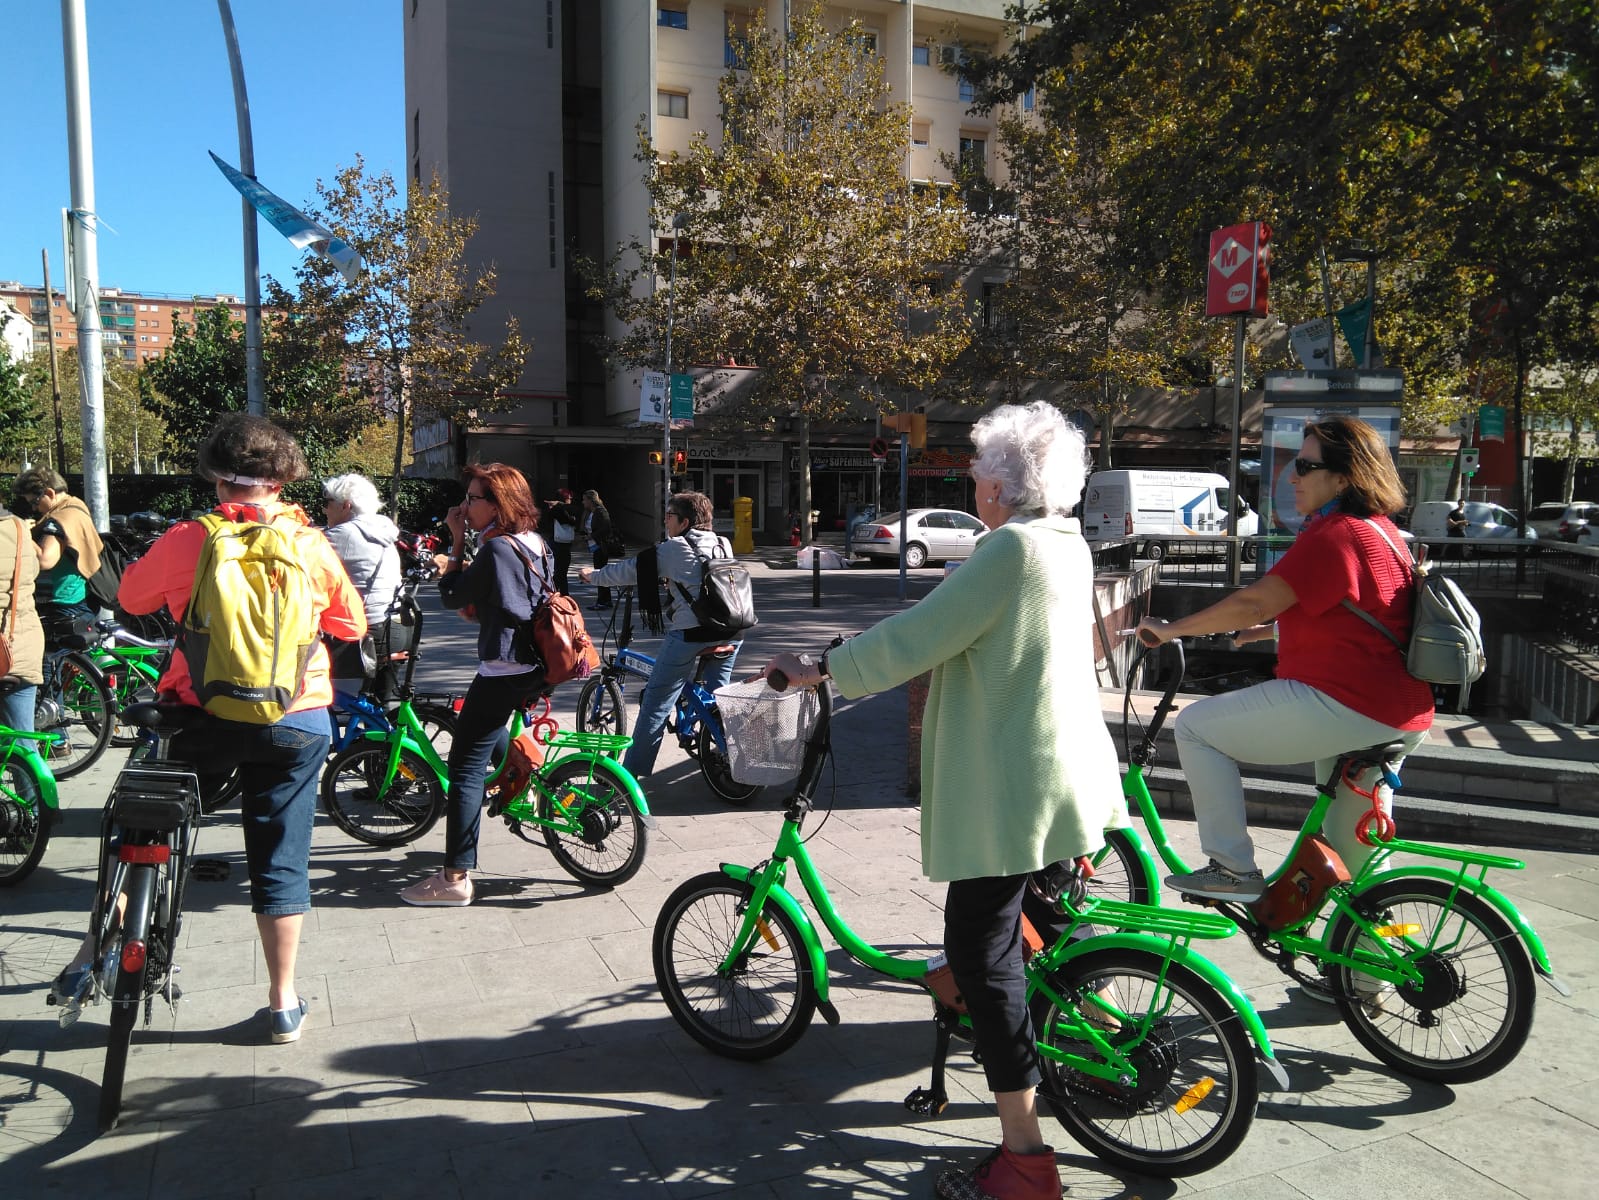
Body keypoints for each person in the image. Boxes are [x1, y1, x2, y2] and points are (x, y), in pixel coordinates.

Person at [760, 403, 1124, 1200]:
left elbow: (913, 641)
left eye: (978, 466)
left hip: (1011, 791)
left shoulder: (1007, 554)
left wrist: (814, 666)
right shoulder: (1065, 545)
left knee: (982, 955)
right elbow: (946, 627)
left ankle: (1024, 1157)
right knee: (1046, 926)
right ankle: (1098, 1040)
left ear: (1002, 482)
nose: (968, 476)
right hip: (1066, 775)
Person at [114, 414, 365, 1044]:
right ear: (283, 479)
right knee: (281, 856)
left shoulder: (187, 538)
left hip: (199, 712)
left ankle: (110, 934)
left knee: (142, 820)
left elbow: (131, 600)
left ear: (216, 477)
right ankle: (282, 1003)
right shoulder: (310, 544)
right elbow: (353, 626)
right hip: (295, 717)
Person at [1135, 415, 1434, 907]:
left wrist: (1170, 630)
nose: (1291, 477)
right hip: (1400, 713)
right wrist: (1268, 630)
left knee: (1196, 728)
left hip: (1346, 702)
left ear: (1344, 477)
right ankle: (1361, 979)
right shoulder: (1382, 533)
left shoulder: (1334, 534)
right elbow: (1360, 612)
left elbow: (1255, 599)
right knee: (1354, 866)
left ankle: (1231, 868)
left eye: (1304, 465)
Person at [400, 463, 554, 908]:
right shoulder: (537, 544)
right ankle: (515, 765)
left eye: (473, 499)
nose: (465, 507)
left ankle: (454, 877)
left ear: (498, 503)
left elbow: (452, 595)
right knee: (488, 728)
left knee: (465, 770)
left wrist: (454, 541)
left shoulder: (497, 549)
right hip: (536, 666)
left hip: (504, 668)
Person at [579, 491, 743, 782]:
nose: (666, 522)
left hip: (692, 633)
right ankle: (730, 753)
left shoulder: (675, 547)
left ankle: (628, 779)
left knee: (656, 701)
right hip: (731, 629)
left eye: (669, 516)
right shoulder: (722, 542)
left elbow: (630, 570)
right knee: (719, 699)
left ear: (685, 521)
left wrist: (595, 576)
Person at [321, 473, 403, 695]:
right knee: (385, 704)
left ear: (346, 505)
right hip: (397, 625)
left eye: (327, 502)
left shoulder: (341, 535)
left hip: (368, 632)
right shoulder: (381, 528)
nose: (324, 510)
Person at [10, 467, 104, 641]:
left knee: (46, 660)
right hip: (83, 597)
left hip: (64, 601)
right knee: (72, 659)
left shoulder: (60, 519)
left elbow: (45, 560)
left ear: (50, 493)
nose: (34, 508)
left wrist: (22, 532)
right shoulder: (76, 505)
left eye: (35, 502)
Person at [0, 501, 44, 732]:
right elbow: (33, 571)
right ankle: (31, 768)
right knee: (21, 738)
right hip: (23, 645)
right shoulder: (19, 527)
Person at [580, 489, 617, 609]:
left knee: (601, 573)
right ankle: (604, 600)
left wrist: (592, 536)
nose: (583, 502)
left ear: (591, 500)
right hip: (595, 546)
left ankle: (603, 601)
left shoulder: (601, 511)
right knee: (600, 572)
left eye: (585, 499)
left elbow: (606, 528)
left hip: (601, 546)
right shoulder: (591, 512)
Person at [544, 487, 580, 595]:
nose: (571, 498)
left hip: (559, 542)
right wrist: (560, 506)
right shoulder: (559, 509)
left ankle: (557, 593)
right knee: (561, 570)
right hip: (559, 543)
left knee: (561, 571)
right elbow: (570, 521)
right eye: (569, 496)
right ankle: (556, 593)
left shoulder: (560, 508)